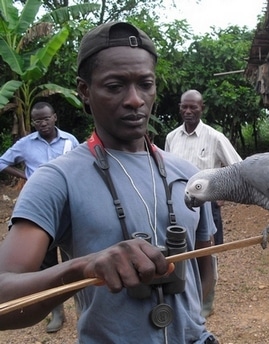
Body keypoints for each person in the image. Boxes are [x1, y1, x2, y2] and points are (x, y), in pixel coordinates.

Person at [0, 22, 219, 344]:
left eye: (145, 84)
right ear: (85, 91)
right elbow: (4, 300)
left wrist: (198, 321)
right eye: (115, 86)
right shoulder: (56, 180)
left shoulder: (189, 176)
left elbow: (204, 260)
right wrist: (81, 268)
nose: (135, 100)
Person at [0, 101, 79, 332]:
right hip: (41, 209)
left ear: (54, 117)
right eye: (37, 121)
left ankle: (83, 305)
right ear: (33, 122)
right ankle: (57, 311)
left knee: (73, 256)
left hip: (68, 206)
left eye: (46, 118)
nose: (42, 123)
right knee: (46, 262)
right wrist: (26, 176)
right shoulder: (25, 144)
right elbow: (2, 162)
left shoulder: (69, 141)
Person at [165, 89, 242, 317]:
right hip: (178, 206)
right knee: (181, 251)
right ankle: (186, 298)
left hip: (206, 207)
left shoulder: (214, 137)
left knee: (207, 253)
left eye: (193, 107)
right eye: (184, 107)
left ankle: (205, 302)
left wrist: (222, 193)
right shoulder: (171, 138)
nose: (188, 112)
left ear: (202, 108)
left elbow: (237, 168)